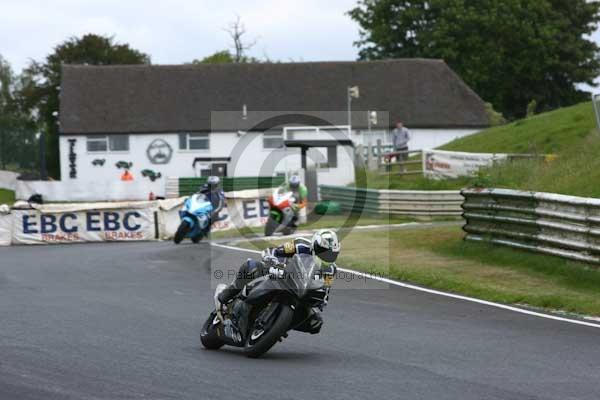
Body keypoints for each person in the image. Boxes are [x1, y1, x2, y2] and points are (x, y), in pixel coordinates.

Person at [216, 229, 341, 335]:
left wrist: (319, 301)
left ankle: (276, 328)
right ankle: (226, 296)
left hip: (299, 290)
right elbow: (274, 251)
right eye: (324, 252)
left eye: (331, 254)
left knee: (315, 322)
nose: (327, 257)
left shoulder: (330, 270)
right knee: (251, 266)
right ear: (315, 246)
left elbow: (325, 291)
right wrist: (272, 260)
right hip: (279, 274)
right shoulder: (300, 245)